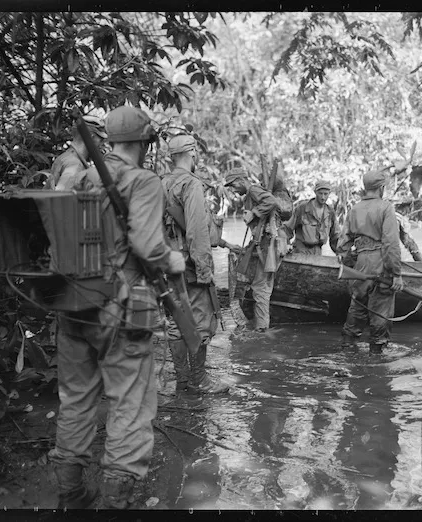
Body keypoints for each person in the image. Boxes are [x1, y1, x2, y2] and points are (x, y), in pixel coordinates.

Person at [48, 106, 186, 509]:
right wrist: (172, 260)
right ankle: (115, 503)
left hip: (73, 301)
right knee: (130, 402)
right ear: (146, 143)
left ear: (109, 140)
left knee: (75, 399)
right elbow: (147, 246)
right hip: (119, 308)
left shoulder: (76, 176)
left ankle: (71, 494)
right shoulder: (143, 180)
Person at [161, 134, 230, 395]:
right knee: (200, 322)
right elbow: (197, 233)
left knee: (176, 321)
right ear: (192, 154)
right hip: (190, 266)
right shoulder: (190, 184)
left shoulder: (161, 183)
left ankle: (181, 380)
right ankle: (198, 380)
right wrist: (204, 271)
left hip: (168, 265)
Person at [337, 168, 403, 354]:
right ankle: (376, 361)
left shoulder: (354, 209)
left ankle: (348, 351)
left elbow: (342, 245)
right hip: (381, 264)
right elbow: (391, 245)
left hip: (360, 266)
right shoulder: (385, 208)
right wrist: (396, 274)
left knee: (357, 308)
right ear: (381, 188)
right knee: (381, 313)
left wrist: (352, 262)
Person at [224, 167, 292, 332]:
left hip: (268, 245)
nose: (233, 190)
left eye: (233, 185)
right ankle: (259, 325)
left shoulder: (254, 190)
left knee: (261, 289)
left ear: (241, 181)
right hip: (264, 244)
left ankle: (262, 330)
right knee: (258, 286)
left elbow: (271, 202)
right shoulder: (251, 194)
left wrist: (254, 212)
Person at [45, 115, 107, 190]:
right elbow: (63, 198)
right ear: (91, 137)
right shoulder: (76, 166)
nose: (102, 144)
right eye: (101, 139)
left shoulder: (65, 157)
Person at [285, 179, 340, 255]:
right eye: (320, 193)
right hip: (300, 250)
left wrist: (340, 253)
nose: (323, 197)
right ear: (315, 192)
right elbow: (287, 229)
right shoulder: (303, 208)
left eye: (325, 194)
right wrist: (285, 245)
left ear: (329, 194)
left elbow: (335, 236)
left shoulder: (330, 212)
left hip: (317, 252)